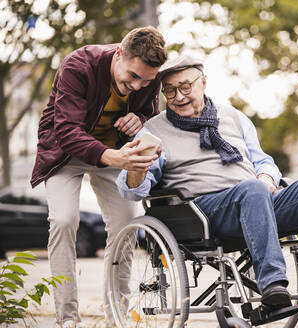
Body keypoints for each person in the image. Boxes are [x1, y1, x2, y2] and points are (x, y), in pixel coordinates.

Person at [116, 55, 298, 316]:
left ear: (203, 82)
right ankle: (273, 286)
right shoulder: (154, 131)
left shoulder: (232, 117)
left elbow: (264, 162)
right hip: (204, 214)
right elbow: (131, 190)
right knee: (252, 190)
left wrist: (266, 179)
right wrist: (135, 169)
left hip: (258, 200)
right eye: (169, 91)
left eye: (185, 87)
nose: (178, 96)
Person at [30, 26, 168, 327]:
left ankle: (115, 317)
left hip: (116, 151)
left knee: (126, 226)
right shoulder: (78, 65)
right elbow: (65, 130)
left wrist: (140, 118)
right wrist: (111, 156)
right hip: (66, 152)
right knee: (64, 220)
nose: (138, 85)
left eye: (146, 80)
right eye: (132, 76)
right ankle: (68, 320)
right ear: (119, 52)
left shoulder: (148, 78)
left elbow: (151, 115)